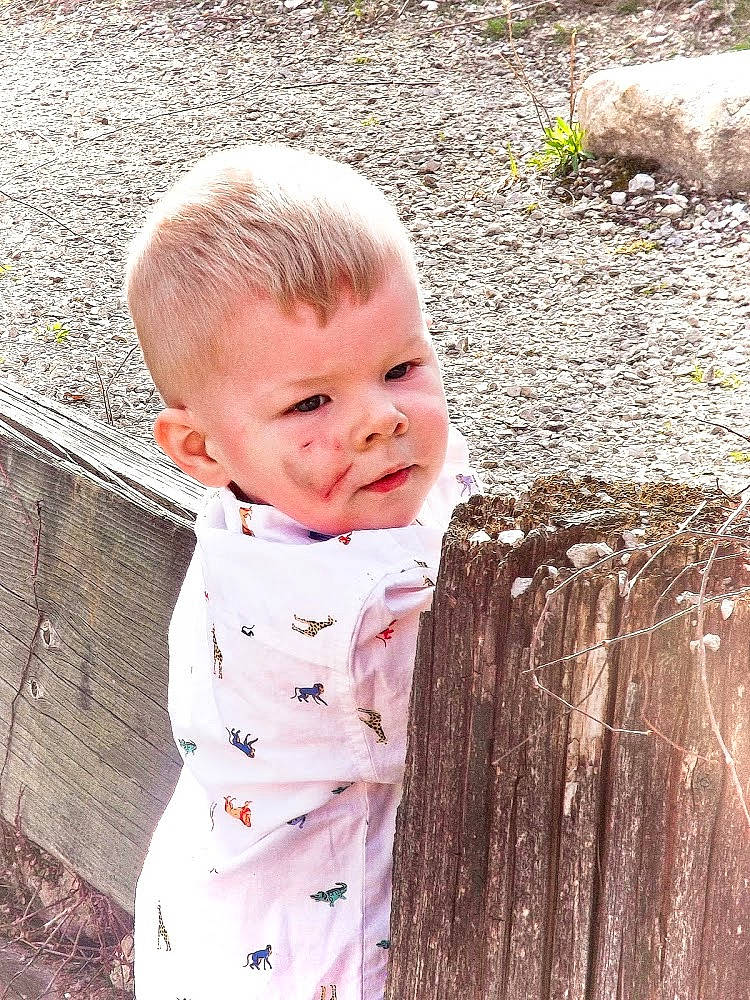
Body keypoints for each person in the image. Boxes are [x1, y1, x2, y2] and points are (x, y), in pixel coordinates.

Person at [123, 142, 483, 1000]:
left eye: (401, 367)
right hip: (306, 961)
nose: (379, 420)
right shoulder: (351, 618)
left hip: (222, 910)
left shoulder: (303, 494)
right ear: (202, 448)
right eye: (310, 402)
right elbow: (507, 710)